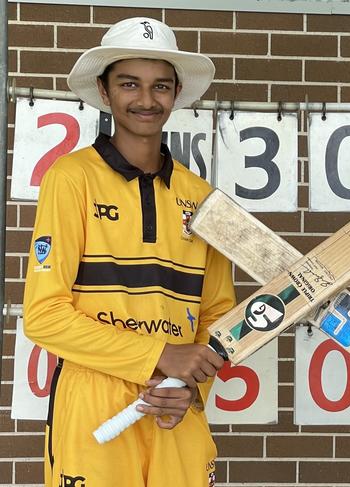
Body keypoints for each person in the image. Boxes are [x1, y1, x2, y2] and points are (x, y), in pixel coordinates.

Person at [23, 17, 235, 487]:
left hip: (173, 406)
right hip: (93, 400)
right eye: (129, 84)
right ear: (104, 92)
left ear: (176, 93)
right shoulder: (70, 177)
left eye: (160, 86)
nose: (146, 99)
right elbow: (44, 315)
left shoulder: (202, 197)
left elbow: (219, 315)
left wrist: (190, 385)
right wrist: (161, 355)